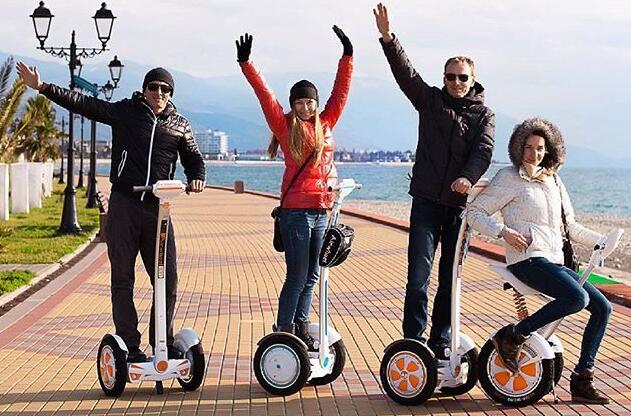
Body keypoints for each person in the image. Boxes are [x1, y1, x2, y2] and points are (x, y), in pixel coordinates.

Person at [17, 62, 206, 363]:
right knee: (123, 279)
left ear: (171, 94)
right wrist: (42, 87)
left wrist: (198, 177)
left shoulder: (179, 124)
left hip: (159, 209)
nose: (159, 93)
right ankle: (130, 345)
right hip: (124, 205)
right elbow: (84, 104)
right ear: (145, 90)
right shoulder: (126, 112)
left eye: (165, 89)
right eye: (153, 87)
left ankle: (163, 341)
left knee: (167, 279)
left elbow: (194, 158)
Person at [372, 3, 495, 359]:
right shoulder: (429, 101)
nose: (456, 82)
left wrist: (467, 179)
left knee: (449, 279)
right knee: (417, 276)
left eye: (462, 77)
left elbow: (483, 153)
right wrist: (387, 38)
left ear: (473, 81)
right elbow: (405, 74)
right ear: (443, 78)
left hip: (458, 208)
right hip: (425, 201)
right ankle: (413, 339)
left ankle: (440, 340)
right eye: (450, 76)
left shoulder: (483, 114)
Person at [467, 117, 612, 404]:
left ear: (550, 150)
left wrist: (602, 240)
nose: (535, 154)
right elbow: (475, 212)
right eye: (529, 147)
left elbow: (569, 226)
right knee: (577, 298)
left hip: (554, 261)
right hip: (527, 260)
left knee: (603, 307)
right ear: (519, 148)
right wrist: (502, 232)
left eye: (541, 148)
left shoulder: (553, 181)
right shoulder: (509, 178)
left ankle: (582, 379)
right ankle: (513, 334)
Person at [235, 26, 353, 349]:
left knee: (314, 275)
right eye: (300, 102)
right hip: (296, 213)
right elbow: (265, 95)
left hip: (321, 211)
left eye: (310, 102)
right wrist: (247, 65)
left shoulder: (326, 124)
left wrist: (347, 55)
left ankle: (301, 325)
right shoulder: (285, 127)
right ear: (293, 105)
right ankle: (284, 329)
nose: (305, 107)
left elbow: (340, 93)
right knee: (298, 275)